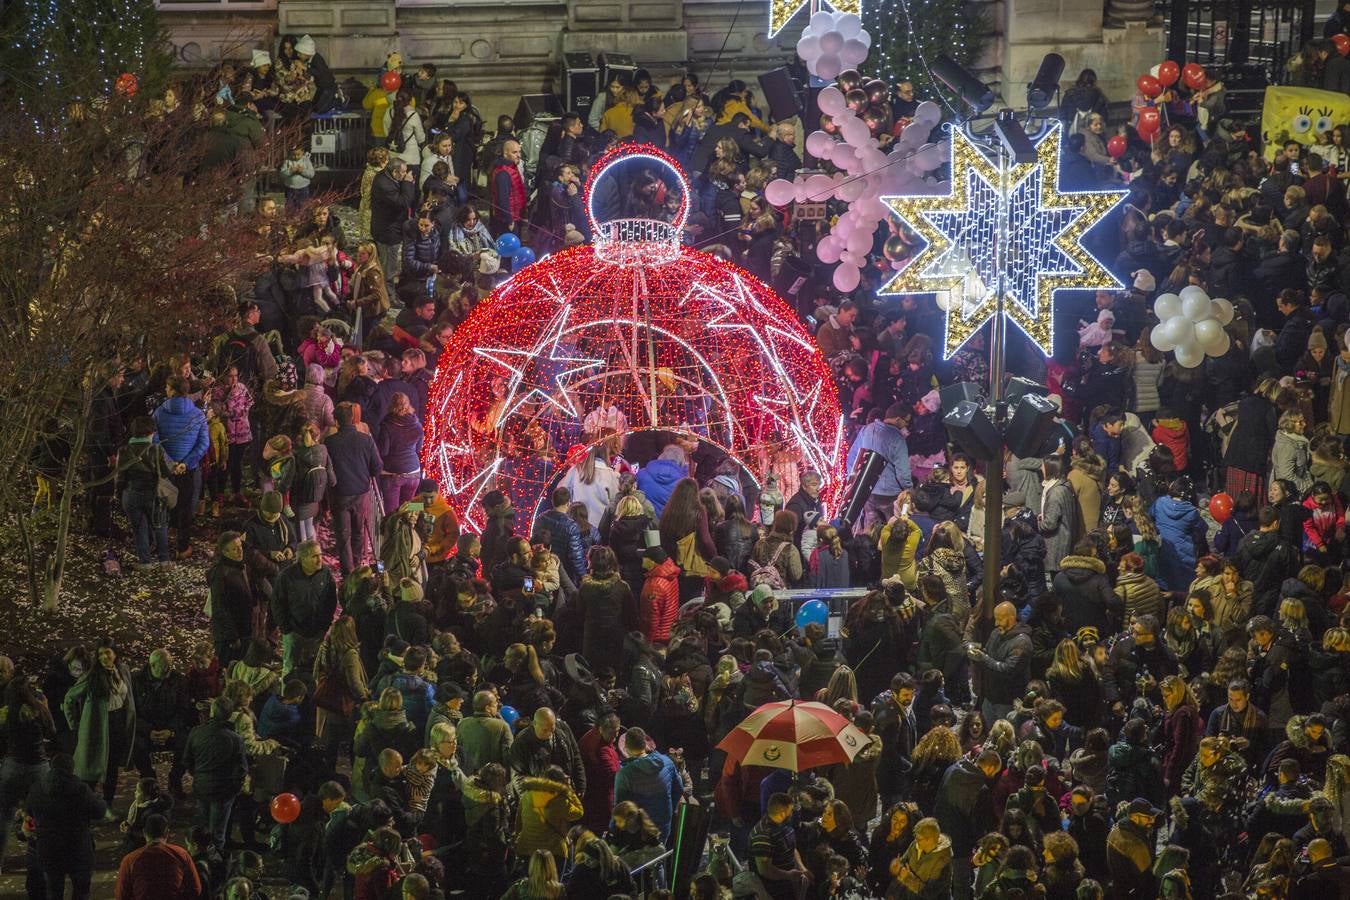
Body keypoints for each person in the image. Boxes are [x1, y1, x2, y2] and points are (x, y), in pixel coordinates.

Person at [25, 753, 107, 900]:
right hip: (77, 847)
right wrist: (100, 798)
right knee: (81, 890)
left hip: (48, 848)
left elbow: (29, 813)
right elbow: (100, 811)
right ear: (71, 769)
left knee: (54, 891)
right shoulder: (81, 789)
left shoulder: (37, 788)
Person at [153, 375, 210, 559]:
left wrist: (170, 462)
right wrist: (186, 462)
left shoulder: (159, 413)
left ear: (173, 391)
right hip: (189, 470)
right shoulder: (198, 415)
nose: (165, 390)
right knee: (186, 508)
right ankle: (182, 547)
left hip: (165, 469)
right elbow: (203, 443)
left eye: (168, 387)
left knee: (162, 506)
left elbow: (154, 440)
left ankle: (161, 546)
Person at [325, 402, 383, 575]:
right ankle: (357, 566)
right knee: (358, 531)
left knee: (343, 536)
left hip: (340, 494)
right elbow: (377, 467)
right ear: (353, 419)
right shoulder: (366, 440)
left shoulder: (329, 442)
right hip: (361, 493)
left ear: (336, 421)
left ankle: (347, 572)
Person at [182, 697, 247, 852]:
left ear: (212, 712)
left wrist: (197, 775)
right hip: (223, 790)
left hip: (202, 785)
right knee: (218, 833)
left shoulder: (196, 732)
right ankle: (215, 864)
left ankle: (202, 860)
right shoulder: (235, 739)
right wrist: (235, 789)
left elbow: (187, 760)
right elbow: (241, 769)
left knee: (203, 827)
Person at [271, 540, 338, 676]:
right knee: (290, 668)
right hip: (294, 632)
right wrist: (286, 629)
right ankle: (287, 695)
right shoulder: (287, 576)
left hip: (316, 632)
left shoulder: (325, 573)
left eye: (320, 554)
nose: (320, 559)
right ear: (302, 559)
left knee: (314, 669)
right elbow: (277, 603)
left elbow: (331, 601)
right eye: (314, 556)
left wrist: (325, 625)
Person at [846, 402, 914, 530]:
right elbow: (902, 472)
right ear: (898, 419)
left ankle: (868, 549)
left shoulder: (867, 429)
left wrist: (855, 481)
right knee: (895, 529)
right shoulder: (897, 439)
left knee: (871, 529)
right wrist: (910, 489)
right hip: (889, 495)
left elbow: (852, 458)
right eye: (906, 421)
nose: (906, 425)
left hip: (867, 490)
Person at [114, 812, 204, 900]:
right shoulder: (181, 854)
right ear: (167, 833)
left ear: (144, 833)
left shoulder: (130, 860)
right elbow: (196, 890)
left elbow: (121, 896)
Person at [613, 726, 680, 841]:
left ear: (626, 748)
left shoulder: (624, 774)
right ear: (645, 744)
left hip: (639, 834)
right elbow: (678, 789)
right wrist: (667, 814)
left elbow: (621, 808)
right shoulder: (667, 762)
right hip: (663, 829)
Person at [750, 791, 810, 900]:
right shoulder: (763, 834)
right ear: (782, 812)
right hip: (770, 892)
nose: (792, 813)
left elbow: (793, 849)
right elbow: (764, 870)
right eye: (791, 810)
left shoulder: (783, 824)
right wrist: (788, 875)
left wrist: (802, 868)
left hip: (787, 887)